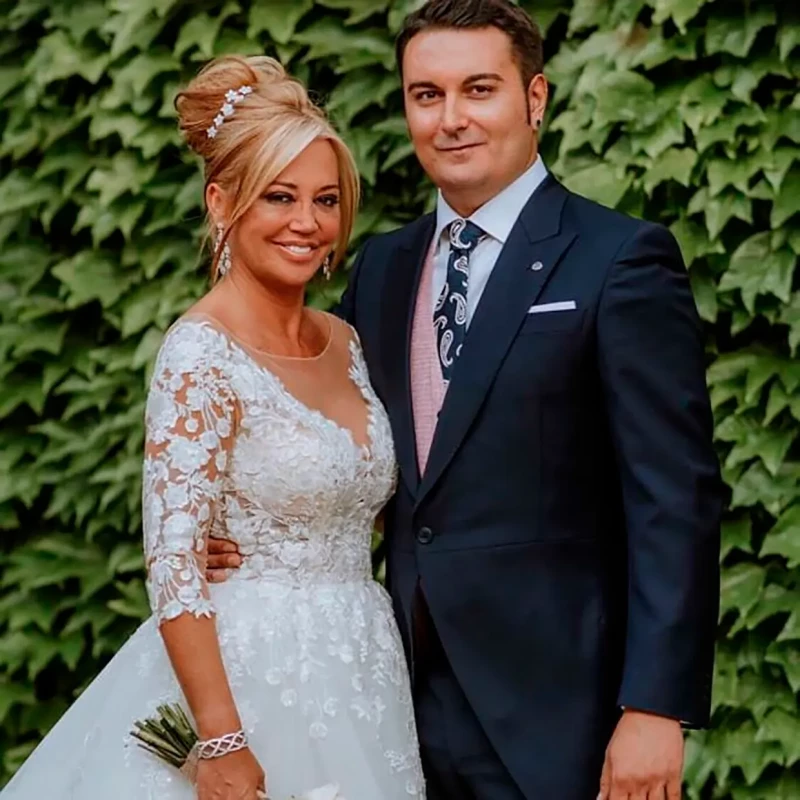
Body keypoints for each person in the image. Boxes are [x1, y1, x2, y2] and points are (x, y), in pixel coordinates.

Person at [206, 2, 723, 799]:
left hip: (561, 709)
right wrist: (243, 534)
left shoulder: (620, 259)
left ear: (536, 98)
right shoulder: (380, 266)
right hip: (395, 698)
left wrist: (654, 704)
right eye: (426, 95)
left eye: (478, 89)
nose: (451, 119)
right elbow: (338, 440)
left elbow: (674, 498)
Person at [1, 55, 425, 800]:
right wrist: (221, 740)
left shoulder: (347, 341)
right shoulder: (199, 352)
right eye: (279, 197)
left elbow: (369, 499)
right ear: (223, 204)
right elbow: (172, 564)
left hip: (364, 661)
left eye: (326, 199)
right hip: (251, 680)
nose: (307, 222)